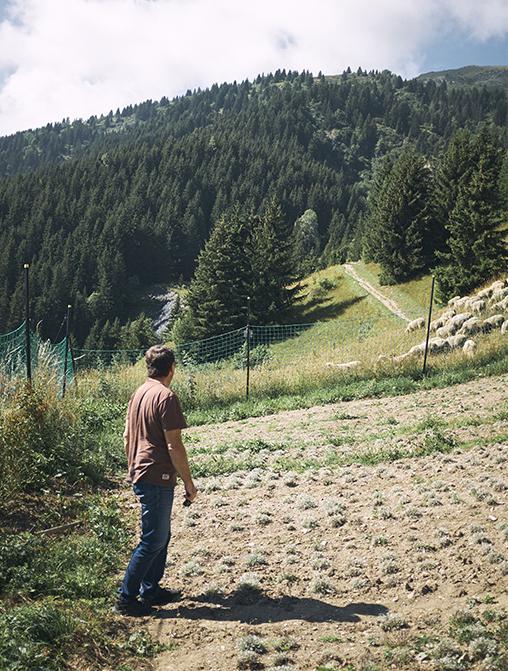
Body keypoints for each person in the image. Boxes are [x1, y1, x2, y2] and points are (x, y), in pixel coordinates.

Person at [115, 345, 197, 616]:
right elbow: (174, 445)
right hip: (157, 475)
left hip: (142, 471)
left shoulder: (139, 393)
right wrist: (188, 482)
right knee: (153, 539)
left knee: (161, 535)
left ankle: (150, 589)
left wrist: (133, 467)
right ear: (171, 368)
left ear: (149, 367)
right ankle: (126, 599)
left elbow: (127, 437)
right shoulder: (166, 397)